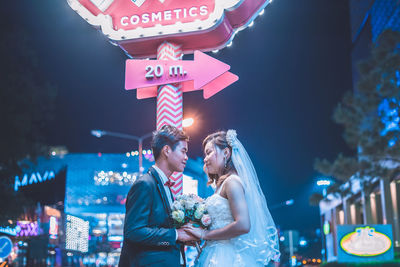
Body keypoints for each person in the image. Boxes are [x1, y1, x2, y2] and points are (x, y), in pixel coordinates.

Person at [183, 130, 280, 266]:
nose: (205, 159)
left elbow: (243, 225)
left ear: (226, 153)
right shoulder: (222, 184)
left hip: (227, 257)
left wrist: (205, 234)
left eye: (209, 152)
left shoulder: (232, 182)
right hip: (214, 252)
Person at [119, 125, 199, 267]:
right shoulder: (145, 184)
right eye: (183, 151)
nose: (186, 157)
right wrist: (176, 234)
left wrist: (182, 238)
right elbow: (133, 232)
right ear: (167, 150)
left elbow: (159, 227)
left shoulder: (165, 186)